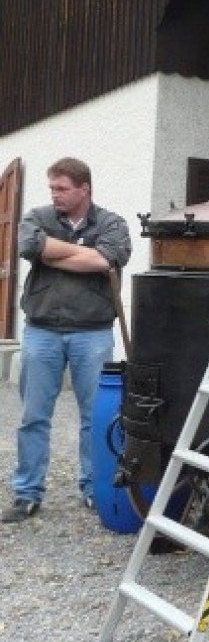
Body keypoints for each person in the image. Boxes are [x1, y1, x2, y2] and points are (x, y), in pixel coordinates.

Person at [4, 158, 131, 523]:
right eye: (52, 188)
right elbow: (31, 246)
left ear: (83, 189)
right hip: (42, 330)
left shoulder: (110, 223)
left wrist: (54, 253)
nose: (54, 195)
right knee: (33, 415)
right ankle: (27, 493)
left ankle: (94, 489)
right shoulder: (37, 218)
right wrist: (87, 256)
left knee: (96, 416)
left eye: (61, 188)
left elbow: (110, 259)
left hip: (92, 332)